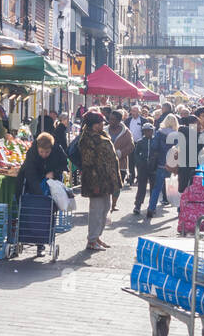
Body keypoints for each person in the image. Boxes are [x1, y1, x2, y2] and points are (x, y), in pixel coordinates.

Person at [19, 132, 68, 257]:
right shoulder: (32, 153)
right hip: (33, 186)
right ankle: (36, 243)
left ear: (51, 148)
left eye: (47, 152)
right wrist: (38, 193)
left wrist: (54, 173)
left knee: (47, 214)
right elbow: (29, 172)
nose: (44, 155)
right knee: (33, 212)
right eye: (41, 152)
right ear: (37, 148)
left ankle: (42, 243)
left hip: (51, 186)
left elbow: (64, 165)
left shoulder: (57, 150)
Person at [77, 111, 119, 251]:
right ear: (94, 125)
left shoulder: (101, 135)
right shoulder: (87, 139)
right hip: (96, 180)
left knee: (105, 208)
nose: (103, 124)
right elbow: (88, 162)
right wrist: (95, 183)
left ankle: (96, 237)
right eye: (100, 123)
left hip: (106, 180)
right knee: (96, 210)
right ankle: (92, 240)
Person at [144, 113, 179, 221]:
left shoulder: (159, 133)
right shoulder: (177, 135)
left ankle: (151, 208)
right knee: (177, 187)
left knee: (157, 188)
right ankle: (179, 209)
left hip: (161, 164)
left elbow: (154, 146)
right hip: (173, 164)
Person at [106, 109, 134, 211]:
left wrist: (120, 153)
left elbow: (131, 146)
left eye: (113, 120)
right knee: (107, 184)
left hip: (120, 164)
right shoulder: (104, 130)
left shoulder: (126, 132)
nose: (111, 121)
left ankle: (114, 204)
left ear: (119, 121)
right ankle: (107, 204)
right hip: (105, 163)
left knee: (117, 185)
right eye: (110, 119)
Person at [131, 121, 155, 215]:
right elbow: (136, 154)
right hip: (143, 167)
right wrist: (140, 162)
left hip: (153, 167)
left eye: (149, 131)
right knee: (141, 187)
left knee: (153, 187)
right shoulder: (141, 142)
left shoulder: (155, 140)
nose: (148, 133)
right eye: (145, 131)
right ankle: (138, 205)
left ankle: (152, 206)